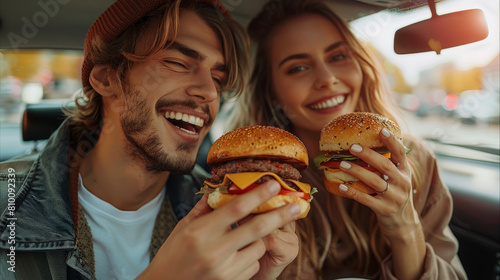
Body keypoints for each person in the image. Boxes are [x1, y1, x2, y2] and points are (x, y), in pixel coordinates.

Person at [0, 0, 301, 279]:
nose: (210, 93)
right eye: (178, 63)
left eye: (218, 79)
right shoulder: (8, 205)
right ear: (106, 79)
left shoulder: (233, 211)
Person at [229, 0, 468, 279]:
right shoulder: (252, 182)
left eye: (338, 56)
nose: (327, 79)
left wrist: (405, 229)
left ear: (361, 67)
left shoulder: (416, 163)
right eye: (298, 68)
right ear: (272, 94)